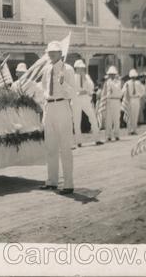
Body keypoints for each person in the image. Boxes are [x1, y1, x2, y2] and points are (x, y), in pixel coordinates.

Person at [39, 41, 76, 195]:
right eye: (50, 52)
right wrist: (44, 109)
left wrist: (63, 82)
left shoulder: (67, 69)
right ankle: (52, 181)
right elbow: (43, 89)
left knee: (65, 147)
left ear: (61, 54)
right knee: (50, 147)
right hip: (49, 107)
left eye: (54, 52)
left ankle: (68, 184)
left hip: (62, 106)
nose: (52, 54)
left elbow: (73, 93)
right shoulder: (46, 69)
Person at [71, 59, 104, 147]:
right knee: (77, 120)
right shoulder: (72, 77)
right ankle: (78, 141)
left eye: (82, 68)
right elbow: (71, 89)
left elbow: (91, 88)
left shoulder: (87, 77)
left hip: (85, 99)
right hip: (76, 100)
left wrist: (85, 78)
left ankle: (97, 139)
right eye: (79, 68)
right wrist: (77, 93)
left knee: (93, 117)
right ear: (76, 68)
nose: (81, 70)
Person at [123, 69, 145, 135]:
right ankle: (129, 130)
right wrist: (126, 94)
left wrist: (139, 95)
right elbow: (123, 91)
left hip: (136, 99)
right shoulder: (127, 83)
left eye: (134, 76)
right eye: (132, 76)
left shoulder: (138, 83)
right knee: (129, 115)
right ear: (130, 76)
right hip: (130, 99)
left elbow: (143, 90)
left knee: (135, 115)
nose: (133, 78)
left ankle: (134, 129)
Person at [103, 66, 122, 141]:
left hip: (116, 100)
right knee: (109, 119)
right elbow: (105, 92)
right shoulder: (107, 82)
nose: (112, 75)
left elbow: (116, 90)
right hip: (109, 100)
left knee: (116, 118)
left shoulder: (118, 82)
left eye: (113, 74)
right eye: (110, 74)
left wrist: (110, 83)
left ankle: (117, 134)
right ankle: (108, 135)